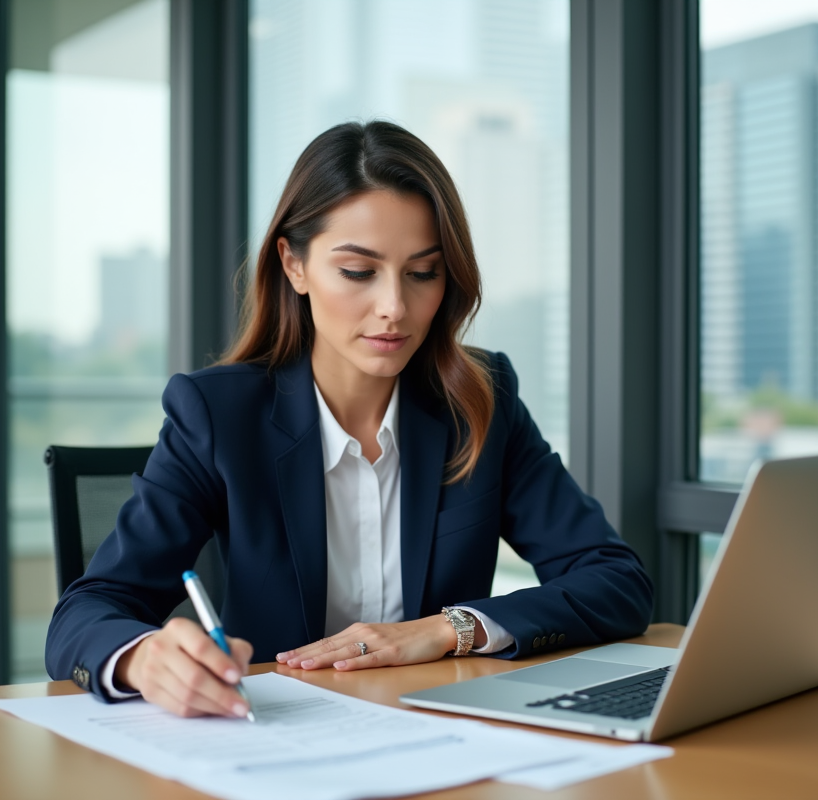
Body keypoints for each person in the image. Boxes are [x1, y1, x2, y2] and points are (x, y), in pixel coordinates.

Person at [45, 120, 653, 719]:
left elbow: (615, 580)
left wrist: (451, 628)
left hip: (439, 736)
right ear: (294, 266)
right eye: (358, 272)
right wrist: (144, 657)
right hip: (274, 749)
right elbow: (86, 613)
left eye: (423, 273)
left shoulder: (479, 400)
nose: (394, 306)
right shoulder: (218, 415)